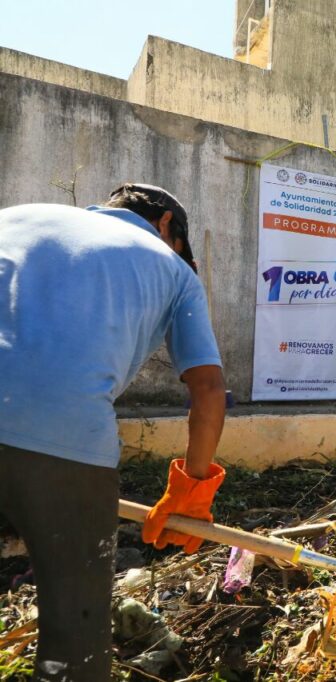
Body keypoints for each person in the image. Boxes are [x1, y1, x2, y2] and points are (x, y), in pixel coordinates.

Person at [0, 183, 228, 681]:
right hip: (62, 438)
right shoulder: (171, 269)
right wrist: (190, 491)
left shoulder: (17, 216)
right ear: (167, 224)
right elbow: (208, 388)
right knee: (74, 634)